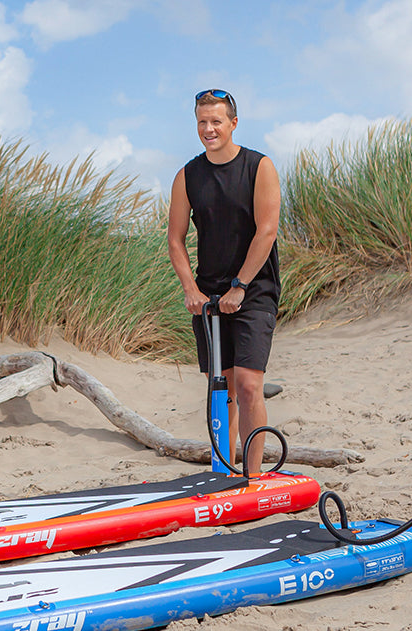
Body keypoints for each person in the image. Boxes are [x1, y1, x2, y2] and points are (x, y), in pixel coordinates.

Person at [166, 89, 281, 476]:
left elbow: (266, 232)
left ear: (233, 123)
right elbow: (175, 239)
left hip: (254, 289)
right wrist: (190, 289)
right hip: (209, 294)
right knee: (222, 387)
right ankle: (223, 472)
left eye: (216, 121)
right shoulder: (188, 175)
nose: (209, 128)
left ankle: (253, 476)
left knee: (249, 385)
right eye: (202, 121)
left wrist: (241, 286)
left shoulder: (258, 166)